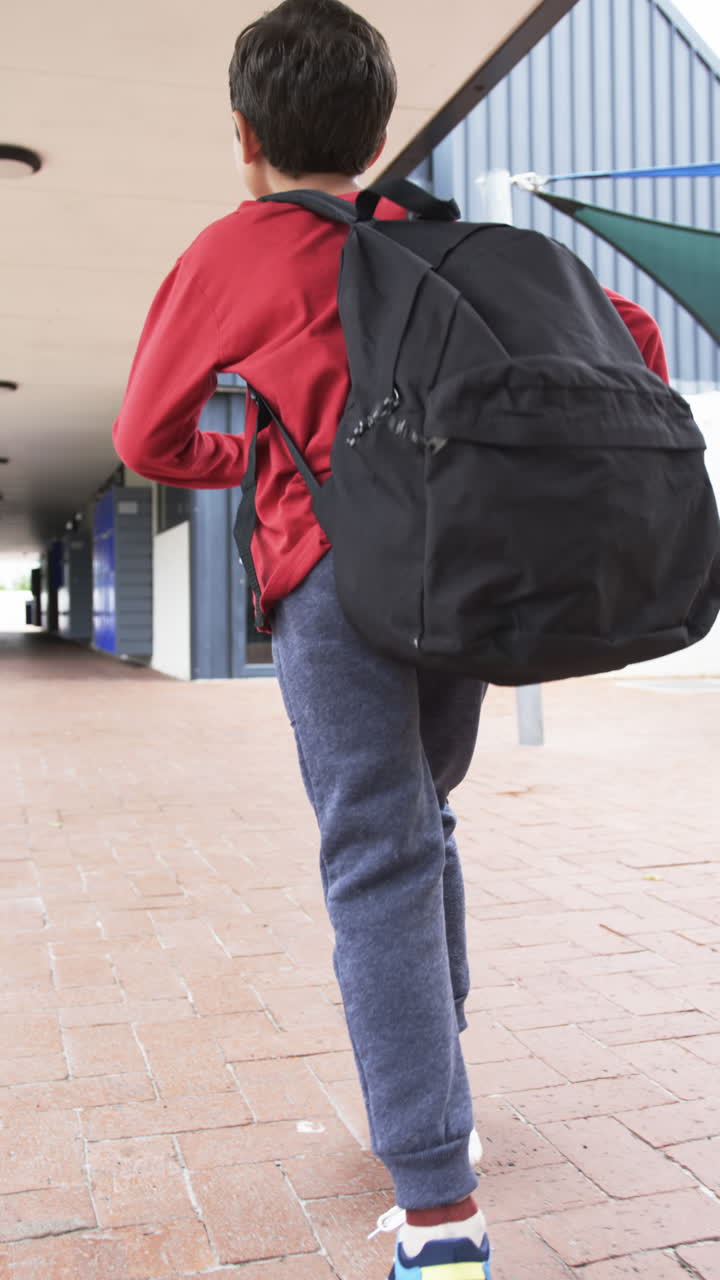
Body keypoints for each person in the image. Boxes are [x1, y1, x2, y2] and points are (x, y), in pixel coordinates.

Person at [112, 2, 670, 1274]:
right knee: (423, 821)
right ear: (376, 132)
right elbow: (631, 344)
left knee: (376, 851)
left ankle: (437, 1209)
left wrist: (246, 446)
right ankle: (439, 1084)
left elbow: (147, 439)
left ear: (243, 136)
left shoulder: (234, 251)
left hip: (335, 591)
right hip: (459, 583)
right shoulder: (448, 237)